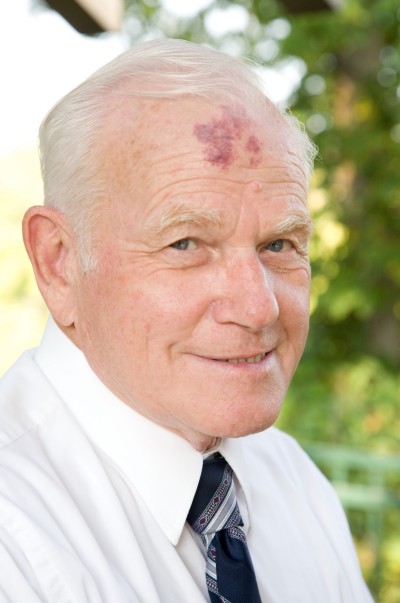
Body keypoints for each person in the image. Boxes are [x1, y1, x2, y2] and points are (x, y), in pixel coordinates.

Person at [0, 38, 372, 603]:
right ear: (59, 262)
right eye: (186, 243)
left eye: (279, 244)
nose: (258, 307)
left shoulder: (292, 480)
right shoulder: (15, 533)